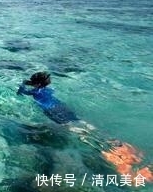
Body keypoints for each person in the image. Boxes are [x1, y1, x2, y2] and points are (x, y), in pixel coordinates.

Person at [17, 72, 152, 182]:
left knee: (81, 134)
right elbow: (46, 90)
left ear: (37, 83)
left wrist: (23, 85)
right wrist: (35, 84)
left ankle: (109, 152)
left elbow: (22, 91)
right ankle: (119, 145)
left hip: (53, 112)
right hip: (63, 108)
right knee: (87, 126)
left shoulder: (35, 92)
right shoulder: (48, 89)